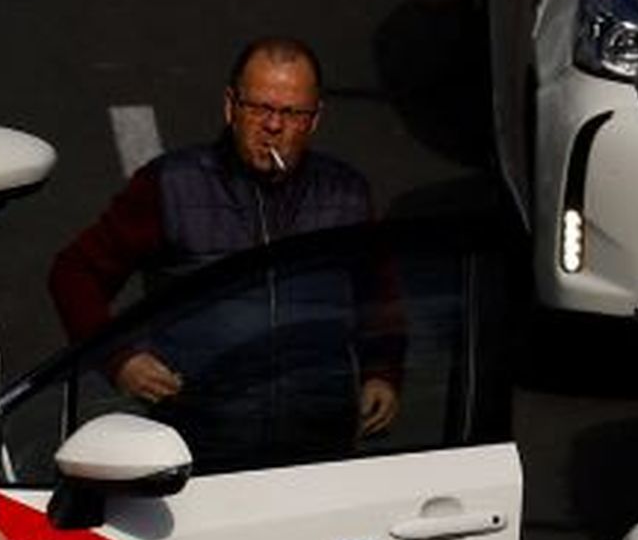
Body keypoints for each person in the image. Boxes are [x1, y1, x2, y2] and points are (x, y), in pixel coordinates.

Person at [47, 36, 404, 452]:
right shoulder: (170, 187)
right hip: (201, 445)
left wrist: (383, 371)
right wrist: (119, 360)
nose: (273, 125)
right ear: (231, 107)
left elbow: (379, 295)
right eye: (260, 108)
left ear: (315, 119)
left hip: (318, 444)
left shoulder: (347, 195)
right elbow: (75, 273)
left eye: (291, 113)